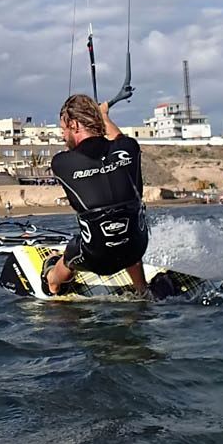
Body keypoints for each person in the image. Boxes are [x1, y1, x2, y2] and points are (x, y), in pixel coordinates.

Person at [43, 94, 148, 296]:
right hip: (136, 247)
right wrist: (104, 117)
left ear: (74, 125)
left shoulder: (61, 163)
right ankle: (142, 290)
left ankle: (53, 284)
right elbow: (118, 140)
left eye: (63, 129)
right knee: (126, 225)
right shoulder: (130, 148)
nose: (63, 136)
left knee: (72, 250)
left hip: (97, 257)